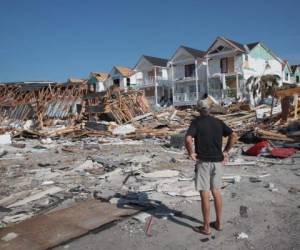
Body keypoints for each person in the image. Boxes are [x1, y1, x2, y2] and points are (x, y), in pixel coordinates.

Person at [185, 99, 237, 235]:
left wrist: (191, 153)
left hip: (203, 162)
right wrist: (225, 151)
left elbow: (188, 139)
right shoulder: (218, 122)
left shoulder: (196, 123)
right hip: (217, 162)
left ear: (198, 110)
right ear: (210, 109)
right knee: (216, 191)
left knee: (204, 193)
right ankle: (219, 223)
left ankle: (206, 227)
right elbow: (233, 135)